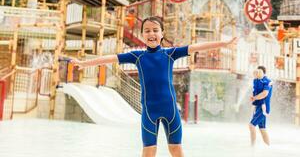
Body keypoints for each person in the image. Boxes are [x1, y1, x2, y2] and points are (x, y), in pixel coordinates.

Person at [72, 16, 237, 157]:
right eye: (147, 30)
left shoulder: (170, 53)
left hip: (171, 111)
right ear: (143, 34)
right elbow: (110, 58)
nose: (151, 34)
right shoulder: (137, 56)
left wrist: (224, 44)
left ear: (162, 33)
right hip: (149, 112)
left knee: (176, 150)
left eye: (155, 30)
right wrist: (83, 63)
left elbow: (195, 47)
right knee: (148, 152)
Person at [249, 66, 273, 146]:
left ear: (262, 72)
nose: (257, 73)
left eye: (258, 71)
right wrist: (253, 96)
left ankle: (252, 148)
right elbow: (254, 91)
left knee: (251, 125)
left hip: (263, 107)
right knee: (262, 129)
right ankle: (269, 147)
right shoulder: (256, 81)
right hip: (258, 107)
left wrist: (254, 97)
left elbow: (264, 94)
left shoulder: (267, 81)